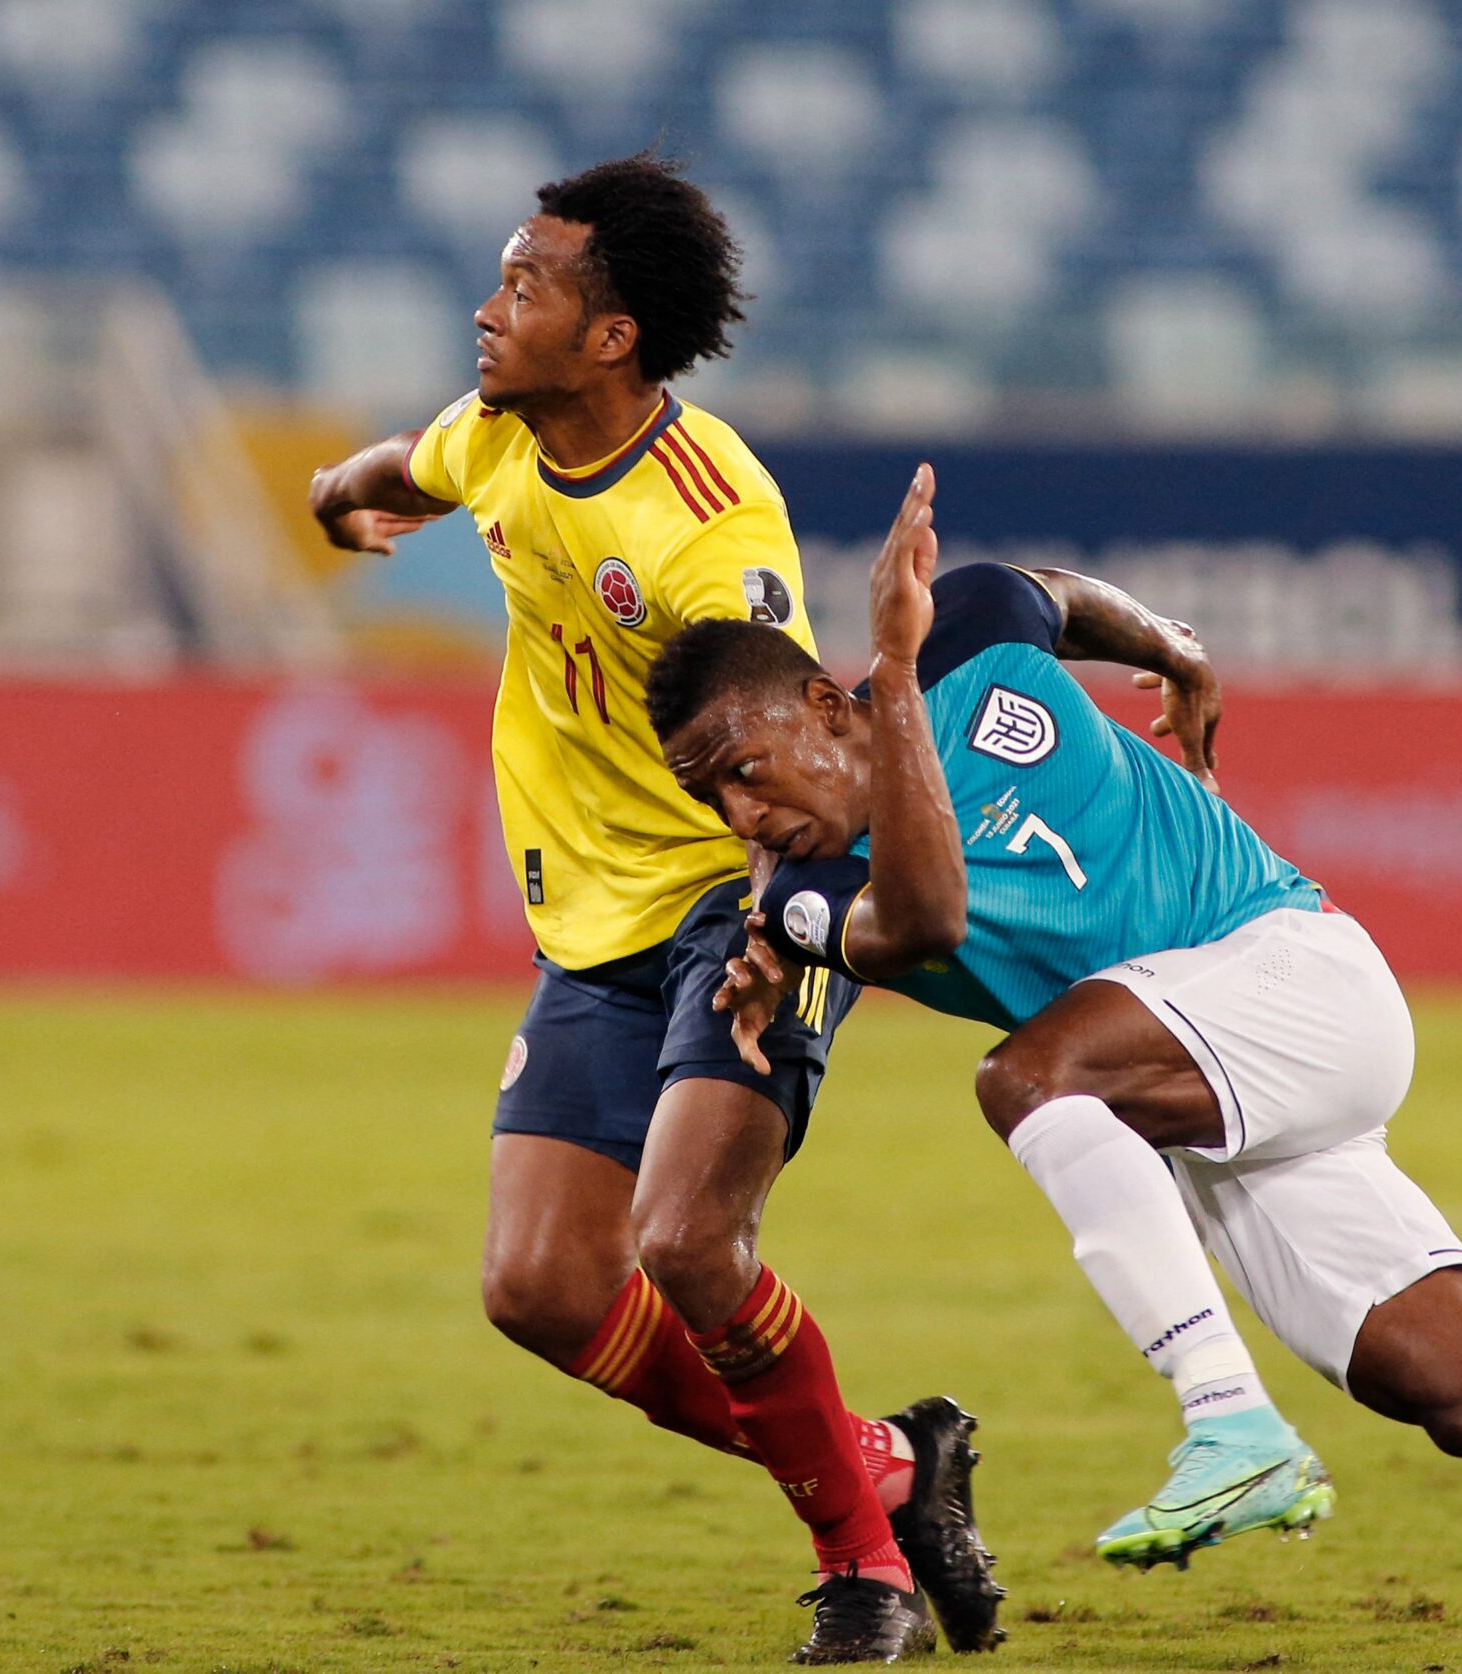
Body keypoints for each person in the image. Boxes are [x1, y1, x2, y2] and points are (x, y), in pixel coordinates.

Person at [646, 465, 1462, 1674]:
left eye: (746, 769)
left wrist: (1169, 646)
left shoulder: (964, 633)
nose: (744, 814)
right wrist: (895, 683)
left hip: (1292, 976)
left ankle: (1229, 1422)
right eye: (714, 797)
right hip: (1200, 1091)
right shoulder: (805, 895)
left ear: (818, 703)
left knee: (1025, 1078)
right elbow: (927, 918)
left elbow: (1048, 594)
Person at [305, 158, 997, 1662]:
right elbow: (407, 467)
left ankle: (865, 1569)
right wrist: (335, 497)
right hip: (590, 927)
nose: (488, 309)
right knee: (541, 1286)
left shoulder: (707, 530)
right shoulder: (500, 434)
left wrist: (776, 930)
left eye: (523, 286)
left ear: (610, 337)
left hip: (731, 902)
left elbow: (799, 758)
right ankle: (890, 1463)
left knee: (686, 1240)